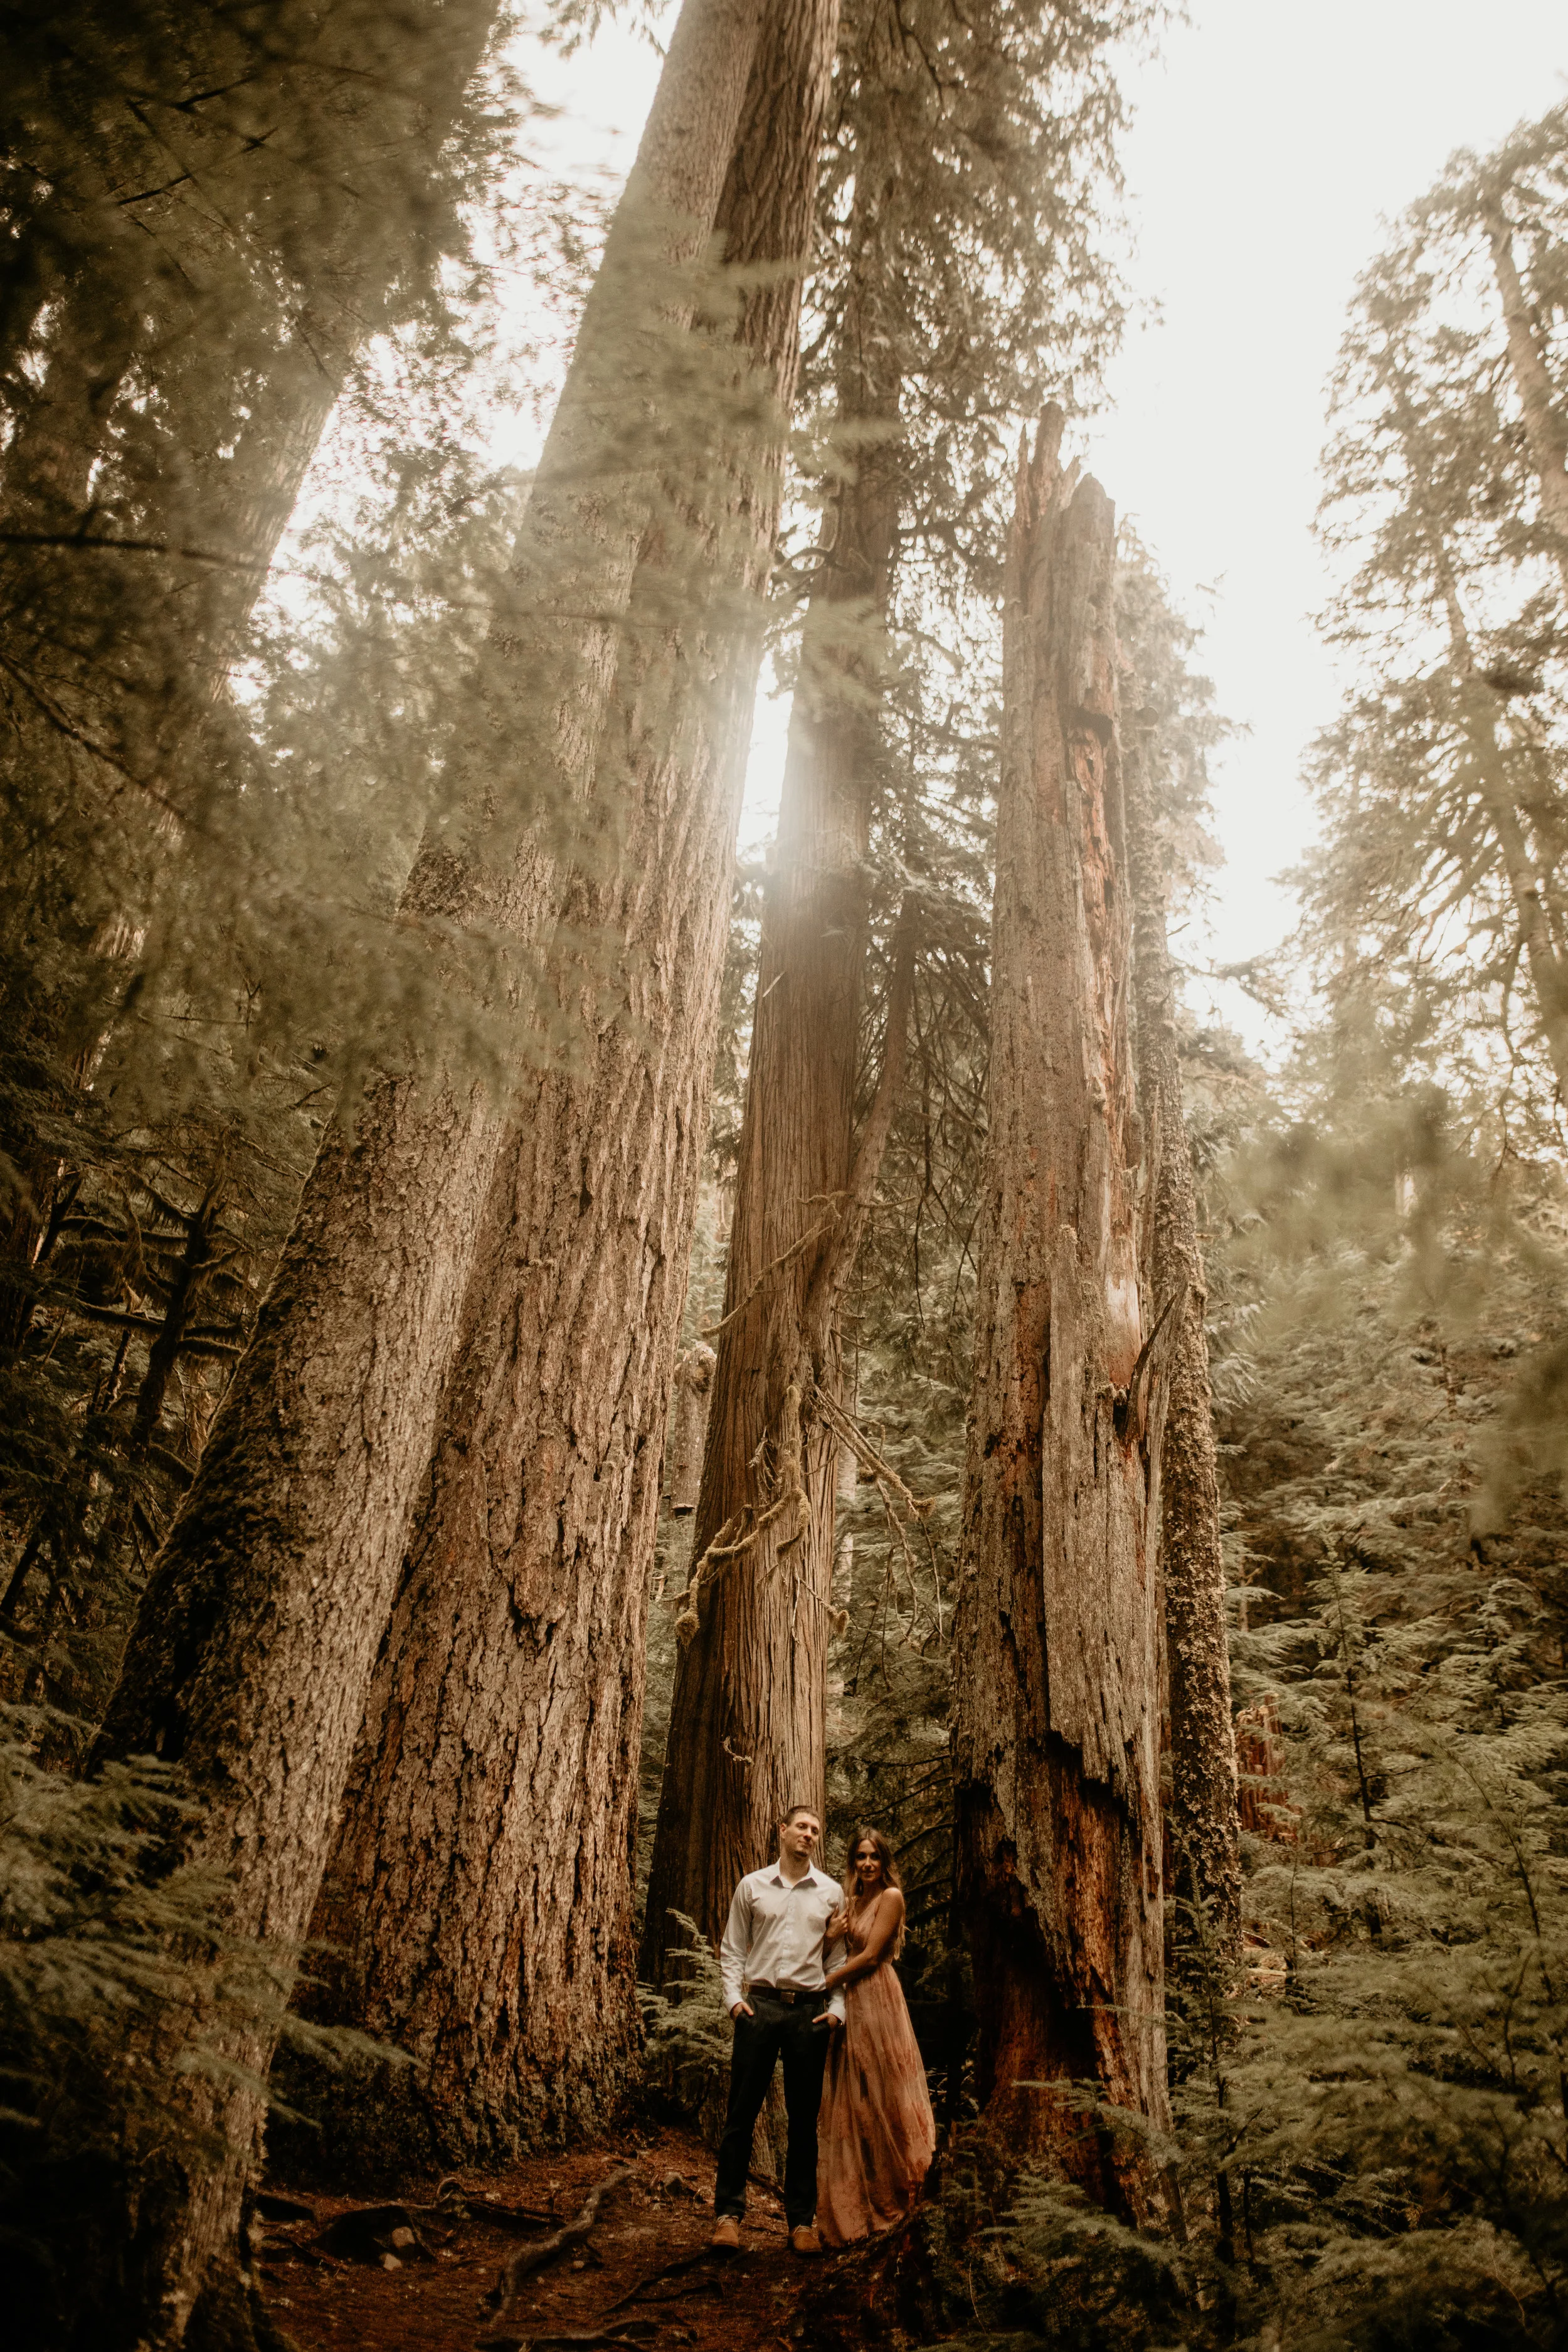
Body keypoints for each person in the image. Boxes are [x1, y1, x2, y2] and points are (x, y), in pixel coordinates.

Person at [712, 1803, 845, 2256]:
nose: (809, 1834)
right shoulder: (752, 1886)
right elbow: (732, 1949)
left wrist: (837, 2009)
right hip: (760, 2008)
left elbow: (838, 1961)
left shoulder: (831, 1893)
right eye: (802, 1827)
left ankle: (802, 2223)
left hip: (808, 2016)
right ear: (782, 1830)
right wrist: (734, 2001)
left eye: (815, 1830)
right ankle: (727, 2216)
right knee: (741, 2115)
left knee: (804, 2122)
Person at [815, 1826, 936, 2247]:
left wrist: (821, 1982)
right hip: (849, 2004)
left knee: (887, 2093)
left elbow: (868, 1957)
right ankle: (861, 2201)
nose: (867, 1864)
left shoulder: (891, 1898)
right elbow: (836, 1946)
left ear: (885, 1862)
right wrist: (831, 1939)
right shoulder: (850, 1902)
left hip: (879, 1999)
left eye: (875, 1858)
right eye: (861, 1857)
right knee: (856, 2095)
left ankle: (901, 2194)